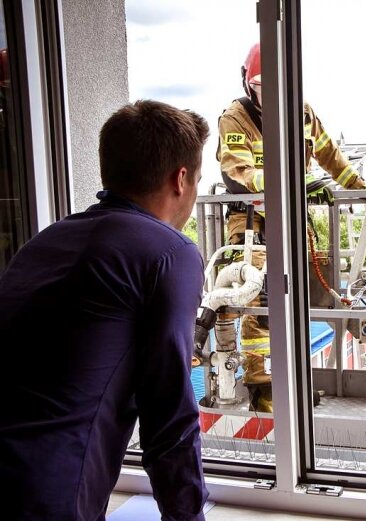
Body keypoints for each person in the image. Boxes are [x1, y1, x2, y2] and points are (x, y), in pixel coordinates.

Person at [0, 100, 210, 520]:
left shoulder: (44, 241)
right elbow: (169, 414)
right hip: (46, 493)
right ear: (181, 179)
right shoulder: (170, 253)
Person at [216, 42, 366, 413]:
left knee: (293, 303)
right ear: (247, 84)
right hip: (252, 224)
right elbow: (238, 172)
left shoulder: (302, 113)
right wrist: (290, 182)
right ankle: (262, 386)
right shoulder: (234, 118)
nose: (269, 95)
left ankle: (292, 380)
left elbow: (332, 157)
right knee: (261, 304)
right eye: (261, 87)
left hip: (292, 225)